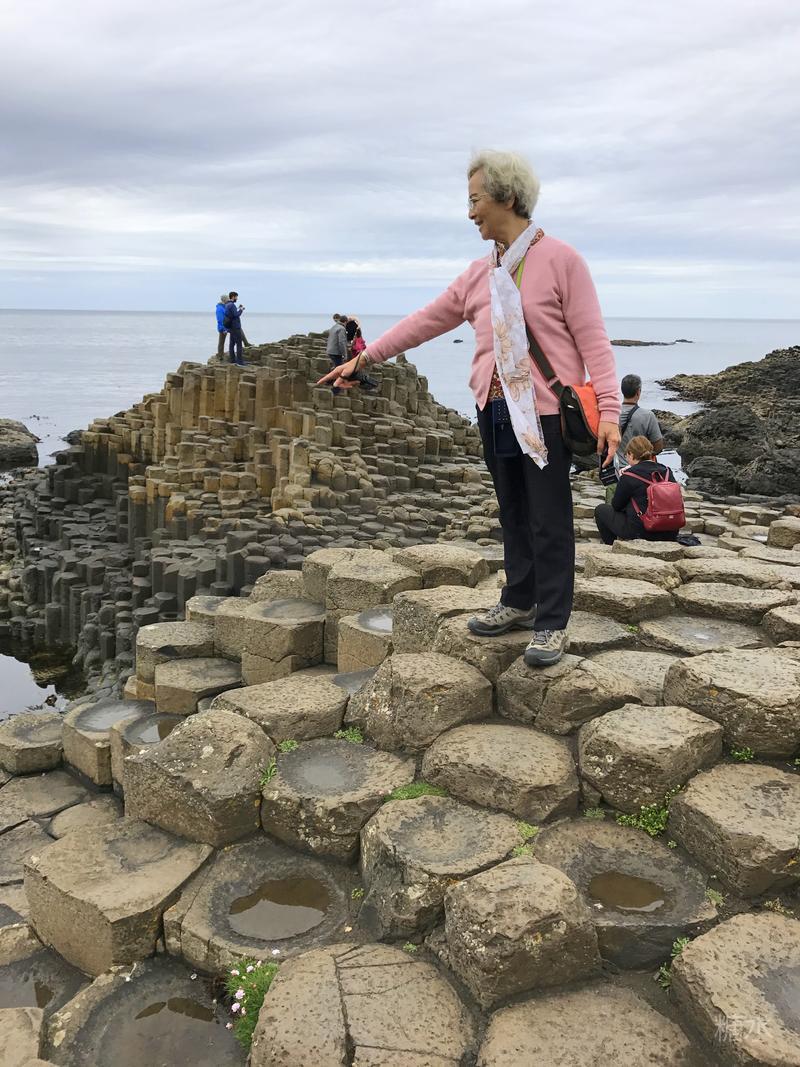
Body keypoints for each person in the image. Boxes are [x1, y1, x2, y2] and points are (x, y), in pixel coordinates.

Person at [318, 150, 621, 667]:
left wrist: (609, 413)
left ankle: (552, 621)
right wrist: (363, 358)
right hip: (494, 409)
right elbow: (424, 321)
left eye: (476, 199)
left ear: (507, 197)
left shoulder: (561, 260)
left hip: (545, 413)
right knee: (513, 512)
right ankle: (520, 600)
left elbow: (594, 341)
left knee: (548, 518)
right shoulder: (480, 273)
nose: (470, 212)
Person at [594, 435, 679, 544]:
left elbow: (616, 506)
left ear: (631, 454)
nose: (626, 458)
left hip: (643, 531)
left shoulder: (629, 475)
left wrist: (622, 482)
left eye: (626, 455)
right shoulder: (667, 471)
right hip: (670, 530)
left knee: (601, 510)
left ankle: (611, 545)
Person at [224, 291, 246, 366]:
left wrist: (238, 308)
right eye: (236, 297)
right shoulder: (232, 305)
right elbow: (236, 315)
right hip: (235, 327)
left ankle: (232, 359)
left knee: (232, 344)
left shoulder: (227, 305)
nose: (237, 298)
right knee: (239, 344)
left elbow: (231, 314)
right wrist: (241, 310)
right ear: (233, 297)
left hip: (230, 327)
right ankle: (240, 362)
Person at [215, 293, 229, 358]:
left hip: (225, 327)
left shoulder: (224, 307)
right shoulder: (220, 308)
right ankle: (220, 355)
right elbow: (220, 320)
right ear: (225, 300)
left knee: (222, 341)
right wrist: (223, 329)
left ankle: (221, 354)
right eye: (227, 299)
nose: (228, 300)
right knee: (221, 342)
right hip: (222, 327)